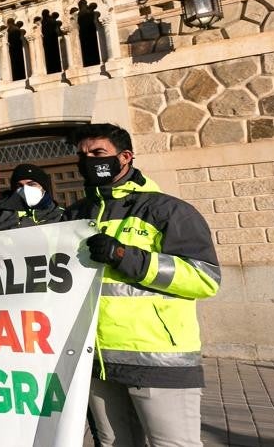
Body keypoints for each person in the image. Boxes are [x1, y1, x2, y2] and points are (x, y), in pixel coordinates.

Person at [64, 123, 220, 447]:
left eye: (98, 153)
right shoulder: (75, 214)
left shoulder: (168, 210)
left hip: (158, 360)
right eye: (83, 155)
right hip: (97, 362)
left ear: (125, 157)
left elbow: (205, 278)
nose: (88, 161)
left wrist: (127, 257)